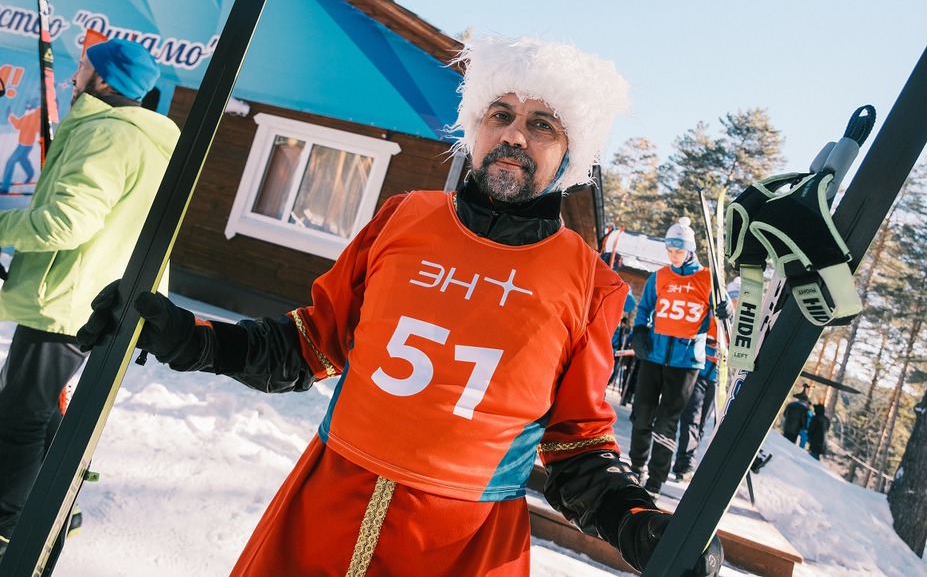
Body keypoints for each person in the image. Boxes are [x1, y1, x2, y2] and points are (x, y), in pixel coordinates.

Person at [78, 35, 723, 576]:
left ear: (570, 152)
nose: (513, 135)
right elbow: (307, 344)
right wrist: (193, 338)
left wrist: (636, 523)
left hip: (460, 547)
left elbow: (574, 445)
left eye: (541, 124)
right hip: (325, 512)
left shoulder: (590, 283)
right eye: (499, 114)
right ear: (473, 128)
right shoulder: (404, 217)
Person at [0, 39, 179, 557]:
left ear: (102, 80)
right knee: (37, 407)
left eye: (81, 67)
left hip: (69, 297)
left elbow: (66, 222)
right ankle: (60, 507)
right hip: (98, 294)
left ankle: (9, 528)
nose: (72, 76)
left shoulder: (107, 135)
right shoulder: (150, 137)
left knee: (20, 416)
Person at [628, 217, 725, 496]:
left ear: (690, 250)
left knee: (666, 422)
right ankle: (636, 467)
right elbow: (645, 308)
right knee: (642, 415)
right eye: (670, 251)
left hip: (686, 362)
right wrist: (639, 331)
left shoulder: (707, 279)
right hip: (654, 355)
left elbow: (719, 316)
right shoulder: (660, 277)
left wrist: (724, 313)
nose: (673, 256)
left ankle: (655, 480)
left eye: (679, 251)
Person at [672, 340, 719, 481]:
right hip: (699, 371)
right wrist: (711, 350)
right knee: (692, 419)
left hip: (718, 380)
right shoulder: (713, 324)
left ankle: (685, 461)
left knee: (701, 424)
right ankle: (685, 465)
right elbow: (695, 338)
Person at [0, 101, 40, 195]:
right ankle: (30, 173)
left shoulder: (33, 116)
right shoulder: (30, 116)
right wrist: (10, 116)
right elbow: (18, 125)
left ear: (34, 108)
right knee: (23, 159)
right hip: (27, 145)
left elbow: (20, 125)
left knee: (10, 162)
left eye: (29, 108)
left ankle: (5, 187)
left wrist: (10, 116)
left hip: (23, 145)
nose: (27, 109)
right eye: (27, 108)